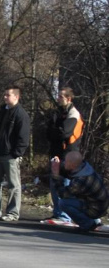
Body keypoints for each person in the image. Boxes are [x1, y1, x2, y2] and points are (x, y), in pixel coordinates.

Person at [0, 85, 30, 221]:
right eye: (4, 95)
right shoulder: (2, 111)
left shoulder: (21, 115)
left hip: (10, 156)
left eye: (8, 95)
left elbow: (24, 137)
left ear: (16, 97)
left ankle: (12, 213)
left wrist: (16, 154)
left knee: (14, 185)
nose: (5, 97)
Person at [46, 87, 84, 222]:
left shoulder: (73, 114)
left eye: (61, 96)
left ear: (69, 98)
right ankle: (57, 212)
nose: (58, 98)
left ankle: (65, 215)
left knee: (66, 185)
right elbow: (48, 131)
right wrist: (54, 131)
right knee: (54, 183)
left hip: (69, 155)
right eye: (58, 96)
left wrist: (55, 131)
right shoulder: (58, 113)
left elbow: (65, 133)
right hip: (56, 153)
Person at [51, 151, 108, 232]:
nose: (64, 163)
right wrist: (58, 166)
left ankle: (87, 224)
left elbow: (63, 194)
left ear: (73, 165)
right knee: (73, 198)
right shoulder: (84, 167)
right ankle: (94, 221)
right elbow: (69, 172)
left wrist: (56, 175)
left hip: (96, 208)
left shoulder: (81, 180)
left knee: (63, 203)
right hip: (96, 202)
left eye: (66, 162)